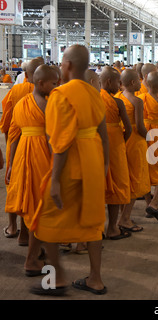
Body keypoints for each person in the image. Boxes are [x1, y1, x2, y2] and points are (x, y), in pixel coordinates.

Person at [30, 44, 110, 296]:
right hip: (94, 161)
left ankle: (59, 278)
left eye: (63, 62)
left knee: (48, 218)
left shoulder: (61, 95)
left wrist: (54, 180)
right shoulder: (94, 93)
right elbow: (104, 135)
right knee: (94, 220)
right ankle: (95, 279)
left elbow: (61, 142)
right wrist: (105, 165)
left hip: (70, 165)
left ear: (68, 65)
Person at [5, 65, 58, 276]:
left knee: (29, 203)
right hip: (40, 157)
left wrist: (11, 165)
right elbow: (51, 139)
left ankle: (25, 239)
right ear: (40, 83)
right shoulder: (47, 106)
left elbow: (14, 137)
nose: (57, 87)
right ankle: (31, 260)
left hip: (22, 156)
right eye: (54, 83)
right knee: (40, 207)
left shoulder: (21, 104)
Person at [1, 58, 43, 243]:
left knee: (15, 184)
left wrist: (7, 142)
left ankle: (13, 227)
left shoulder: (16, 91)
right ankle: (31, 232)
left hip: (16, 140)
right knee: (35, 188)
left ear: (26, 74)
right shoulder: (50, 96)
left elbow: (6, 123)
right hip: (40, 146)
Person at [115, 69, 151, 232]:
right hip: (136, 140)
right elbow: (140, 126)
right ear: (131, 83)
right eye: (138, 80)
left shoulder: (116, 98)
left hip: (121, 140)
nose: (140, 83)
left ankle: (124, 214)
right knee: (135, 180)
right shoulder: (137, 101)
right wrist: (151, 137)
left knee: (124, 178)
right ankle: (125, 219)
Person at [99, 66, 132, 240]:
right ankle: (112, 228)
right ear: (109, 82)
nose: (119, 86)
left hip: (96, 144)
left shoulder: (93, 99)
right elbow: (129, 129)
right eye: (117, 82)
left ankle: (96, 230)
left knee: (99, 187)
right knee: (116, 186)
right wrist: (120, 142)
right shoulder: (117, 102)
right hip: (115, 144)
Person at [139, 71, 158, 222]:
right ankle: (154, 203)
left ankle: (148, 205)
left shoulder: (140, 99)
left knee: (146, 169)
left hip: (144, 133)